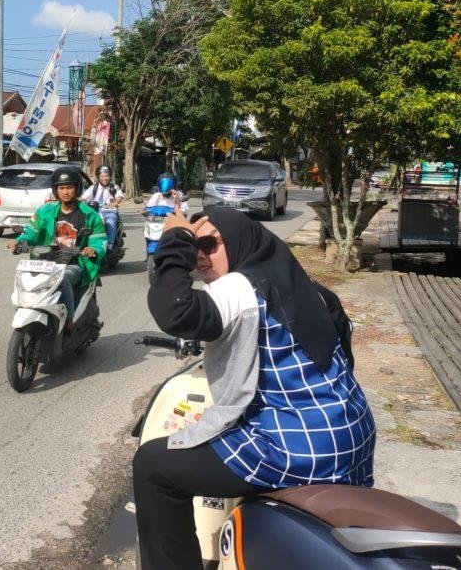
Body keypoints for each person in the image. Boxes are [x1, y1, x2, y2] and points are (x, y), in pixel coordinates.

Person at [133, 206, 375, 569]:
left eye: (209, 244)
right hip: (352, 435)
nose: (199, 256)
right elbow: (341, 351)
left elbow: (176, 310)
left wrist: (175, 239)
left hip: (298, 448)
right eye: (194, 245)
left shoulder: (240, 285)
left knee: (153, 466)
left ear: (238, 242)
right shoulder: (306, 286)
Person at [8, 166, 107, 327]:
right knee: (26, 280)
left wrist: (93, 249)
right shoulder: (45, 211)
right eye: (61, 188)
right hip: (44, 263)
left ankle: (68, 320)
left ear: (77, 189)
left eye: (69, 187)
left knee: (63, 279)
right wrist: (19, 241)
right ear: (55, 190)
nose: (65, 192)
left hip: (75, 263)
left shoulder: (90, 215)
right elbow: (31, 232)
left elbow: (99, 240)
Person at [81, 164, 124, 250]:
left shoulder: (114, 187)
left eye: (107, 176)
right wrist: (81, 203)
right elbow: (84, 198)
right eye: (102, 176)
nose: (105, 178)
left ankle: (109, 246)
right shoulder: (93, 188)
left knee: (110, 223)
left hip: (110, 212)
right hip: (95, 212)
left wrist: (116, 202)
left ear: (110, 176)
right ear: (98, 177)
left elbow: (119, 196)